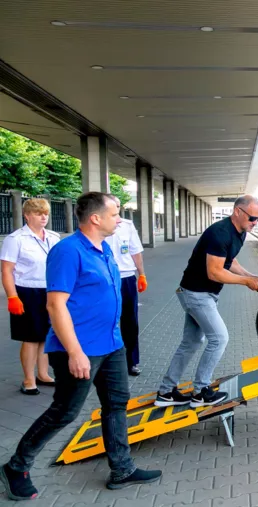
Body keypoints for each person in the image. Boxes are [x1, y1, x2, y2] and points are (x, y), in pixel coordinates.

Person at [0, 192, 161, 501]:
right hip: (80, 348)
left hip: (111, 343)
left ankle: (122, 469)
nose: (120, 219)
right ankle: (16, 466)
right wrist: (74, 351)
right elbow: (55, 305)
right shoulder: (68, 251)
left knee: (116, 403)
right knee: (65, 411)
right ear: (95, 218)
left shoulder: (104, 249)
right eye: (115, 214)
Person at [154, 195, 258, 408]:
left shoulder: (239, 232)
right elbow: (214, 272)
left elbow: (230, 262)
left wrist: (252, 277)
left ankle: (166, 393)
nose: (255, 223)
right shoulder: (219, 233)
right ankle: (201, 392)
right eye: (252, 218)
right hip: (197, 293)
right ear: (238, 211)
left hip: (201, 293)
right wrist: (245, 282)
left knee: (191, 342)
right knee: (219, 338)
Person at [0, 198, 59, 395]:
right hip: (27, 291)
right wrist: (12, 297)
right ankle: (28, 379)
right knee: (30, 338)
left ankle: (43, 374)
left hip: (49, 290)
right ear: (27, 215)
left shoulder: (53, 236)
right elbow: (7, 271)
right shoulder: (16, 239)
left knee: (45, 336)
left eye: (46, 213)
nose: (44, 217)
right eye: (38, 213)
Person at [105, 196, 147, 376]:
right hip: (106, 280)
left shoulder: (127, 226)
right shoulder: (99, 227)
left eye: (118, 207)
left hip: (127, 277)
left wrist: (141, 274)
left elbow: (135, 251)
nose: (117, 211)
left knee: (130, 322)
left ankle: (131, 361)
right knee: (107, 320)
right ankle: (106, 362)